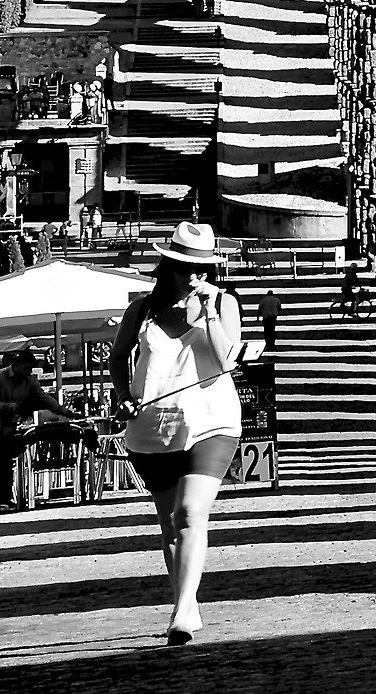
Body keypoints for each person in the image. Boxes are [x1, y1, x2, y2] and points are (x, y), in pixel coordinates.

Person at [110, 221, 244, 645]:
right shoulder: (142, 310)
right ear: (167, 266)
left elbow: (225, 361)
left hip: (212, 422)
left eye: (203, 269)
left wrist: (208, 314)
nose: (195, 276)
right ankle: (186, 600)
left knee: (189, 514)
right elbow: (117, 359)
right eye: (186, 267)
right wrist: (123, 394)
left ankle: (182, 611)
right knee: (170, 525)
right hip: (152, 427)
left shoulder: (224, 304)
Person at [0, 348, 72, 507]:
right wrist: (13, 407)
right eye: (27, 368)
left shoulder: (30, 380)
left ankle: (4, 501)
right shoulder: (0, 376)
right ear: (17, 364)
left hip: (7, 427)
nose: (29, 371)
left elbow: (44, 398)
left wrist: (64, 411)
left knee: (5, 464)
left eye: (31, 369)